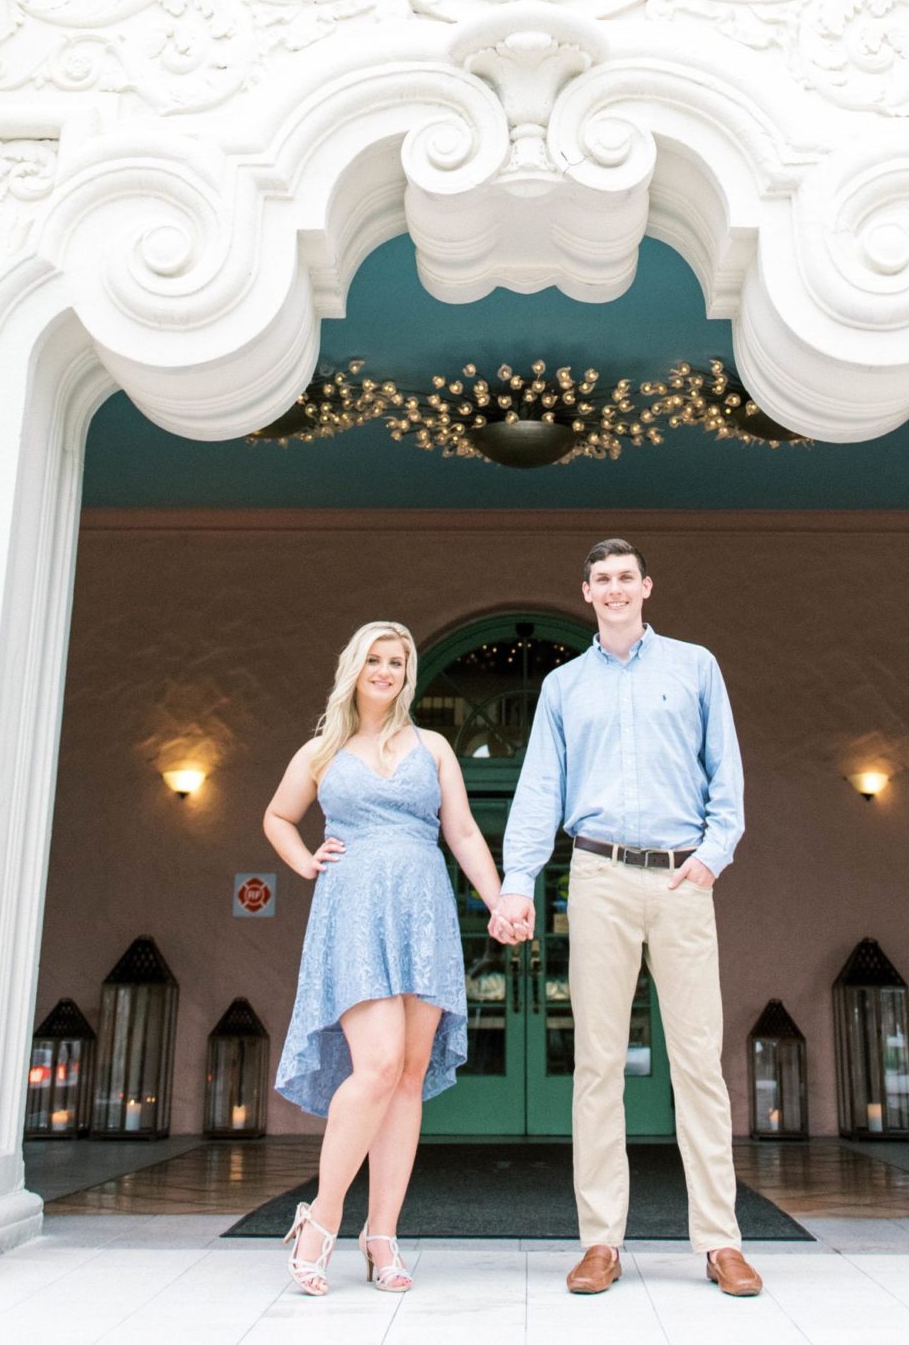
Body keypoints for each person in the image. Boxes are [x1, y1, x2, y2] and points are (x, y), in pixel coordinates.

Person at [496, 540, 762, 1298]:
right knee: (598, 1063)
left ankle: (719, 1240)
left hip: (682, 875)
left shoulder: (695, 665)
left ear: (646, 586)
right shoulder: (562, 686)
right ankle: (600, 1240)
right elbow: (539, 788)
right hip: (598, 873)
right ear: (586, 591)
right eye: (601, 579)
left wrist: (713, 854)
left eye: (625, 578)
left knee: (698, 1061)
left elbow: (727, 772)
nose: (614, 589)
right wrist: (519, 881)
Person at [266, 620, 512, 1295]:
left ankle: (382, 1235)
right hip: (353, 913)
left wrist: (497, 901)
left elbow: (461, 830)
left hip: (424, 913)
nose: (386, 670)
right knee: (374, 1066)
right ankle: (322, 1216)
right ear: (355, 666)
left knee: (407, 1077)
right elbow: (277, 816)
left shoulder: (432, 746)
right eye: (375, 658)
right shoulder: (322, 748)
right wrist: (305, 861)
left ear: (408, 673)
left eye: (397, 661)